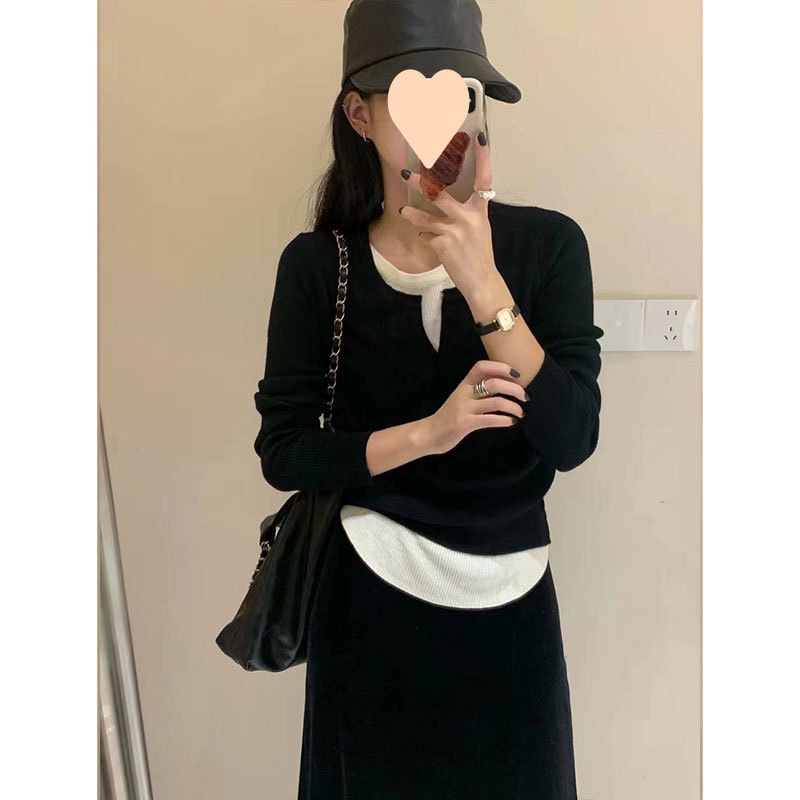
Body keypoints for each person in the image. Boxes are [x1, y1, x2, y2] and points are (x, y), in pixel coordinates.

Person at [253, 2, 604, 797]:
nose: (444, 123)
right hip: (369, 603)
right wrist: (429, 433)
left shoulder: (548, 246)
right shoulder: (319, 266)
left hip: (513, 599)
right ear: (361, 115)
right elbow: (286, 452)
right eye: (417, 95)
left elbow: (572, 437)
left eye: (462, 96)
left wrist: (482, 280)